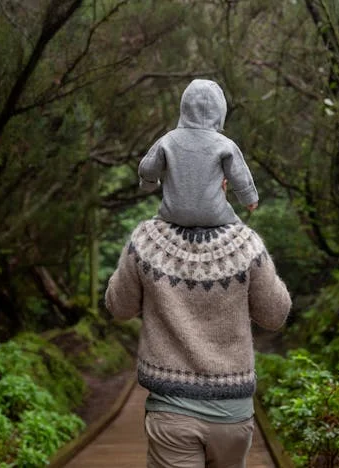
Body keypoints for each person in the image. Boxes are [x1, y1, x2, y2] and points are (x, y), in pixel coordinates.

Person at [104, 217, 292, 467]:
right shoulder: (245, 242)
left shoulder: (146, 239)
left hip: (171, 408)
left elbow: (119, 307)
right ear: (224, 183)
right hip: (232, 412)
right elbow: (275, 314)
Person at [138, 79, 259, 227]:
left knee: (153, 229)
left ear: (184, 107)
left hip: (172, 215)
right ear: (220, 111)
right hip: (215, 216)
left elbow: (148, 167)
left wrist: (148, 184)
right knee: (240, 234)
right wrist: (249, 199)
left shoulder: (168, 140)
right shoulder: (225, 144)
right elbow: (240, 174)